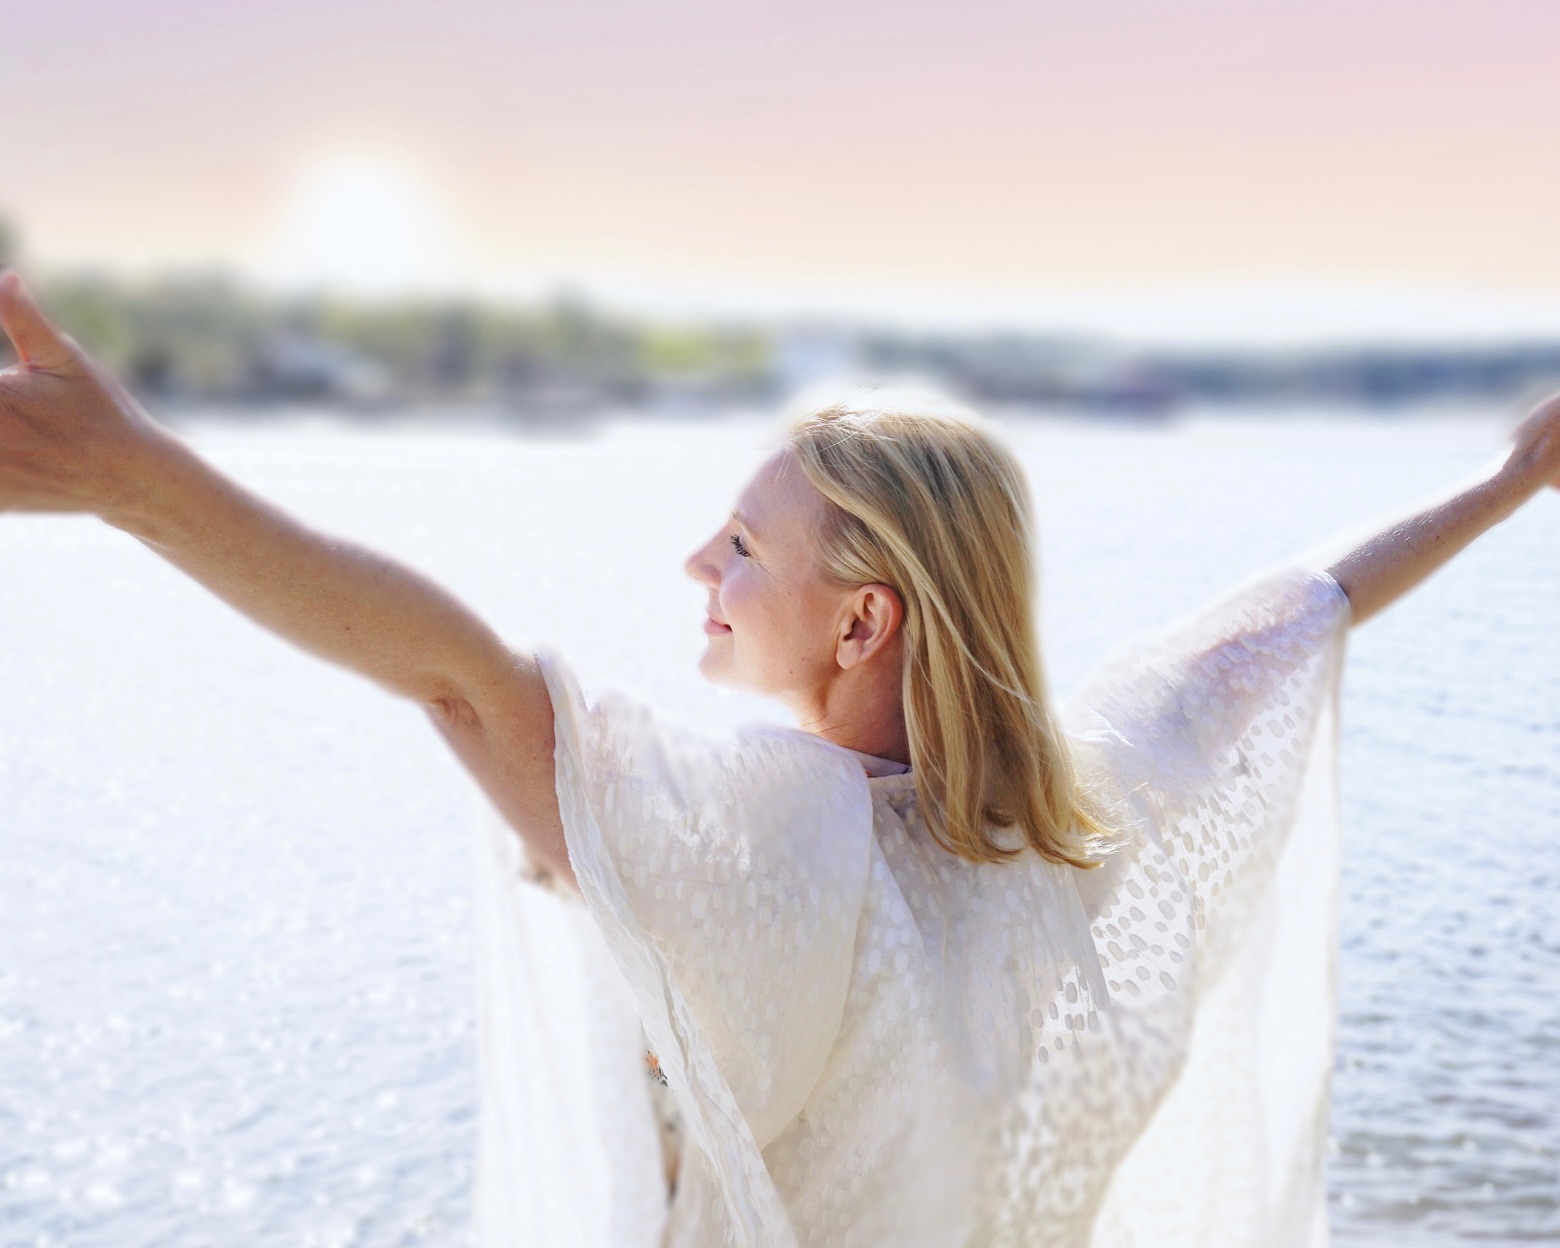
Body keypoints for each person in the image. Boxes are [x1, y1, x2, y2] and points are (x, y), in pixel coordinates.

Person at [0, 268, 1554, 1248]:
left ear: (866, 617)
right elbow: (1311, 604)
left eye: (742, 544)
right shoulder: (1085, 805)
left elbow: (457, 682)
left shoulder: (782, 841)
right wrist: (1508, 482)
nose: (695, 565)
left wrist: (141, 486)